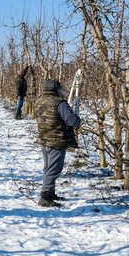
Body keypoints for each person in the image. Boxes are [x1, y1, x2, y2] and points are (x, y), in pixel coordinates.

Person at [35, 79, 81, 207]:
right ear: (56, 89)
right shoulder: (60, 103)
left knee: (48, 168)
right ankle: (45, 197)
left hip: (44, 139)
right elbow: (71, 121)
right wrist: (77, 119)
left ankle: (50, 193)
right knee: (54, 170)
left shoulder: (39, 100)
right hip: (56, 140)